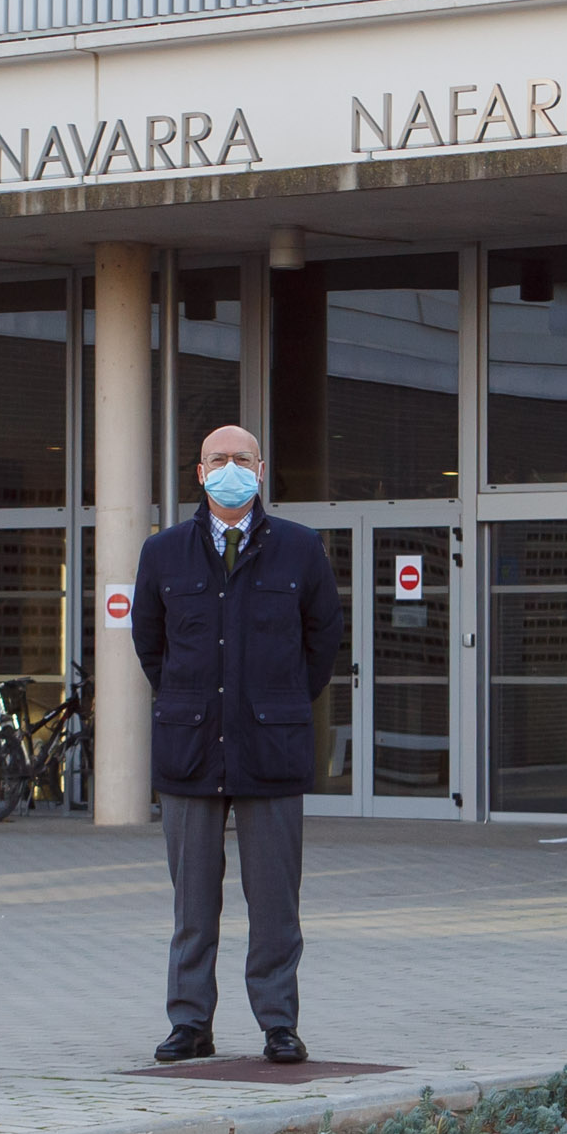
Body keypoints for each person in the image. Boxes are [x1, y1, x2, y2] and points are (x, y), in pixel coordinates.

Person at [133, 423, 346, 1066]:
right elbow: (151, 646)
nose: (231, 468)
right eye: (218, 459)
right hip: (190, 750)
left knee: (276, 904)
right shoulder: (164, 553)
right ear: (199, 473)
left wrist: (277, 702)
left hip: (270, 750)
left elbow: (322, 644)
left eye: (242, 458)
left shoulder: (301, 550)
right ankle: (190, 1022)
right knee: (193, 904)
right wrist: (188, 699)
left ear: (261, 468)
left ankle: (278, 1023)